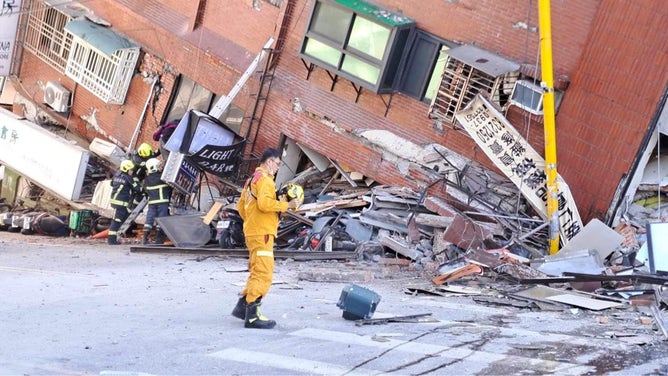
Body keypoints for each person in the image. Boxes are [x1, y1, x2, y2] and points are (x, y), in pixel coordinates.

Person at [231, 148, 301, 329]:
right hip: (262, 233)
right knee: (264, 272)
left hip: (253, 231)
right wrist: (287, 205)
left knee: (256, 269)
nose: (277, 168)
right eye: (277, 164)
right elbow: (264, 204)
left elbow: (241, 207)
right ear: (269, 162)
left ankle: (243, 307)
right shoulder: (266, 181)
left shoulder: (250, 180)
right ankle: (253, 316)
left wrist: (252, 221)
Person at [108, 159, 143, 245]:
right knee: (117, 220)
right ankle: (111, 240)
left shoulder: (117, 174)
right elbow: (138, 189)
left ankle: (117, 235)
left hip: (117, 202)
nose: (131, 171)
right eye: (130, 170)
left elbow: (112, 184)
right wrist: (143, 189)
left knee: (127, 216)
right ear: (126, 169)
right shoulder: (128, 178)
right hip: (120, 203)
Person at [142, 158, 172, 245]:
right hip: (162, 203)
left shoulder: (147, 179)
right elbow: (171, 186)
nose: (161, 167)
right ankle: (159, 240)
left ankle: (145, 239)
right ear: (154, 167)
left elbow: (145, 191)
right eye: (159, 166)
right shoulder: (162, 177)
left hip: (152, 203)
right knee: (162, 220)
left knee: (149, 220)